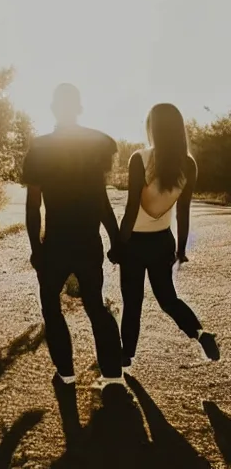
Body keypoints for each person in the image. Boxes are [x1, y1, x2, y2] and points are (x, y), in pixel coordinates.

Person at [23, 83, 123, 387]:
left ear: (54, 108)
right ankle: (113, 374)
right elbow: (101, 200)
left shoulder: (39, 148)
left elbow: (33, 205)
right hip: (88, 241)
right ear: (79, 108)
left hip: (55, 242)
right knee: (94, 303)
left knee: (50, 305)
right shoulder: (98, 143)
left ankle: (65, 373)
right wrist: (115, 240)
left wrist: (35, 248)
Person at [117, 103, 220, 368]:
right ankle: (200, 333)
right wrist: (181, 249)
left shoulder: (139, 158)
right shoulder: (188, 164)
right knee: (168, 299)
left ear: (153, 128)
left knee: (132, 302)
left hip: (135, 242)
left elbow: (131, 208)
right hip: (163, 241)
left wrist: (118, 244)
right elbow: (184, 211)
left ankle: (126, 356)